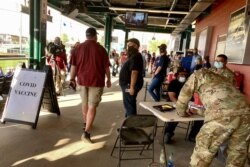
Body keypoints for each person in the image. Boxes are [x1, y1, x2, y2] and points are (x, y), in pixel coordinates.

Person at [176, 68, 250, 167]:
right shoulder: (225, 80)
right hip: (246, 114)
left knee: (203, 152)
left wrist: (181, 112)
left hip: (221, 118)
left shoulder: (200, 74)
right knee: (237, 153)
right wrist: (198, 111)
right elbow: (227, 106)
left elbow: (185, 94)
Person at [70, 27, 111, 143]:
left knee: (85, 103)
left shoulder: (77, 49)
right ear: (95, 36)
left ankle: (86, 122)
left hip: (82, 81)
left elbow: (74, 66)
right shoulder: (101, 49)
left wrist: (72, 79)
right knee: (92, 106)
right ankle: (86, 133)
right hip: (96, 81)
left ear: (86, 36)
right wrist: (108, 79)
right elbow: (106, 67)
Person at [119, 38, 144, 117]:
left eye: (130, 45)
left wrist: (132, 87)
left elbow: (134, 72)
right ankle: (128, 124)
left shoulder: (136, 56)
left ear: (136, 46)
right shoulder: (133, 56)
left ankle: (130, 127)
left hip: (129, 85)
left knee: (129, 105)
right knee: (129, 104)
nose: (128, 47)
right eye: (128, 45)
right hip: (128, 84)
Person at [164, 67, 188, 143]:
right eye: (181, 74)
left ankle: (193, 135)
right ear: (177, 75)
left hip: (186, 104)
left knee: (200, 118)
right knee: (176, 116)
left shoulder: (187, 84)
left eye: (185, 75)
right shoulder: (173, 83)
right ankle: (168, 133)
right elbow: (171, 96)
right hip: (173, 103)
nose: (183, 76)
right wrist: (180, 105)